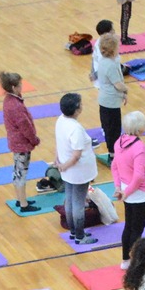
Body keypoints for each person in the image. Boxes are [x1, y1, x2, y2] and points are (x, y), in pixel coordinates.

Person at [52, 92, 98, 247]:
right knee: (78, 203)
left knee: (70, 200)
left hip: (67, 169)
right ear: (77, 110)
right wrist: (64, 165)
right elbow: (77, 155)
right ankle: (79, 235)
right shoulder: (75, 128)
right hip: (77, 171)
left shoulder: (61, 120)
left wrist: (59, 161)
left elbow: (59, 141)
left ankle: (73, 231)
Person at [111, 108, 145, 260]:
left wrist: (119, 187)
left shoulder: (119, 142)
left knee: (129, 226)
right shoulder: (139, 147)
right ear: (139, 127)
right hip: (138, 192)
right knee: (137, 229)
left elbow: (114, 166)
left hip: (126, 189)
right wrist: (127, 192)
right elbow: (138, 176)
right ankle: (135, 262)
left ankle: (126, 259)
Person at [0, 71, 41, 214]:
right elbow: (25, 126)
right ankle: (23, 204)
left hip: (16, 141)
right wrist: (34, 140)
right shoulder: (15, 105)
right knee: (21, 173)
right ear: (14, 87)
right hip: (21, 143)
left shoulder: (9, 100)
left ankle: (20, 198)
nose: (22, 86)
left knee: (17, 171)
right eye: (20, 84)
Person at [91, 25, 126, 144]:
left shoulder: (105, 61)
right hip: (110, 101)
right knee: (113, 130)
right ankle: (112, 151)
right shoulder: (109, 64)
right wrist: (126, 90)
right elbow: (118, 84)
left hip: (106, 99)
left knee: (109, 126)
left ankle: (111, 147)